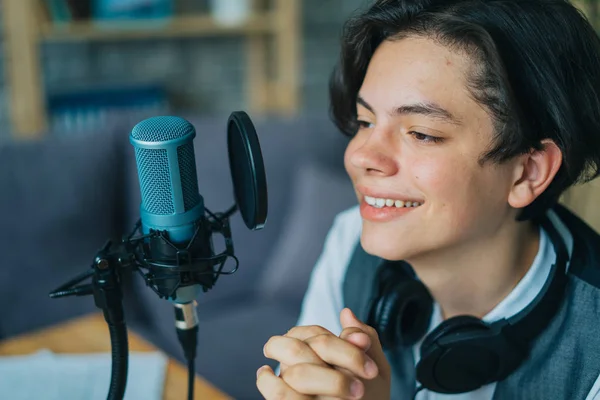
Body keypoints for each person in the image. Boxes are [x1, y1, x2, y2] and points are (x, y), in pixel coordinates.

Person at [256, 0, 600, 399]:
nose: (361, 156)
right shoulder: (349, 239)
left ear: (527, 172)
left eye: (421, 133)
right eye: (366, 122)